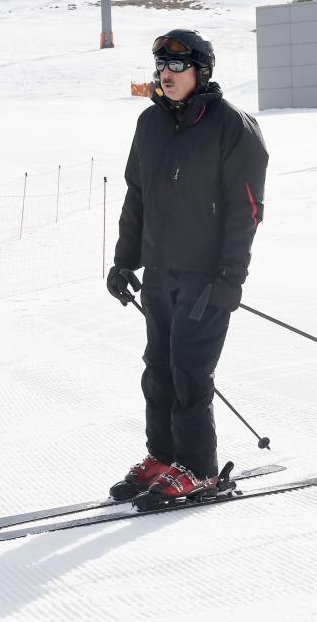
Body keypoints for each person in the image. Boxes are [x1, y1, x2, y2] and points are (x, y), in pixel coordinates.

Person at [106, 29, 269, 509]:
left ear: (201, 70)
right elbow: (138, 196)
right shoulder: (149, 124)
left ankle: (198, 469)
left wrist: (230, 279)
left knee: (189, 370)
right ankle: (164, 458)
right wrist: (123, 259)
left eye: (177, 66)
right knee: (157, 370)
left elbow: (248, 210)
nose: (166, 74)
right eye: (161, 66)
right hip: (159, 271)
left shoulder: (232, 126)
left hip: (207, 278)